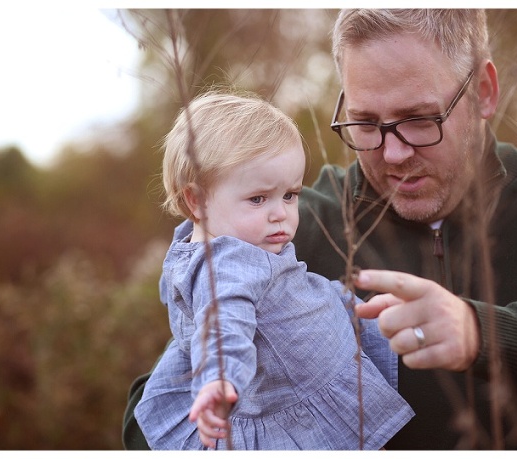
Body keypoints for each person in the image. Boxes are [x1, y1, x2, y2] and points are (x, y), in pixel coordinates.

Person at [124, 9, 517, 450]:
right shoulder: (295, 224)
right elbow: (151, 416)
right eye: (365, 123)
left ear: (483, 91)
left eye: (418, 119)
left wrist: (484, 334)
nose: (393, 153)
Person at [132, 90, 414, 450]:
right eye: (258, 198)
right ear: (197, 200)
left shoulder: (193, 242)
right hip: (300, 401)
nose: (280, 213)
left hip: (323, 342)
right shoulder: (226, 264)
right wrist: (220, 377)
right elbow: (222, 320)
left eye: (290, 195)